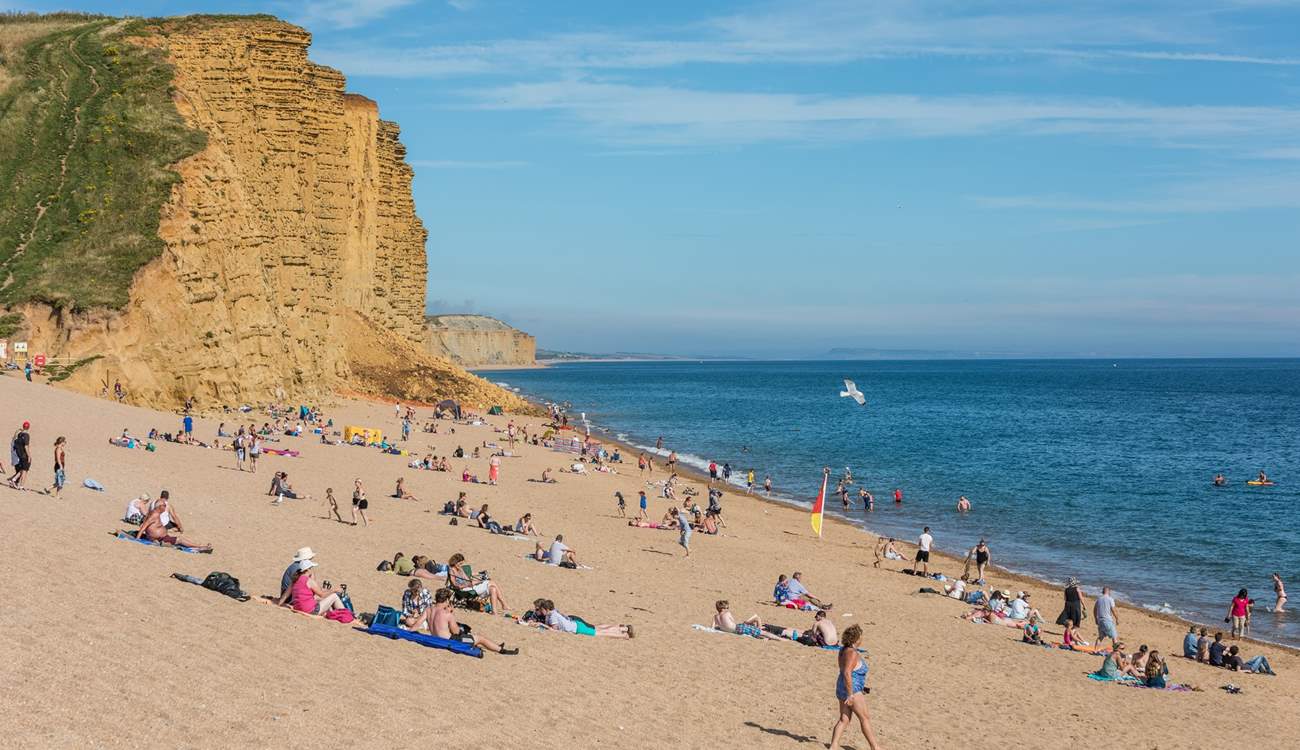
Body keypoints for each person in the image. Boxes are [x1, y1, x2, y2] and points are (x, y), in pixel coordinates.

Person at [827, 625, 880, 750]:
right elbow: (847, 672)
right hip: (851, 689)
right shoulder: (852, 653)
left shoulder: (843, 650)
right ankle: (875, 747)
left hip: (842, 686)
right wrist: (851, 694)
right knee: (864, 718)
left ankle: (834, 745)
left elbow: (849, 671)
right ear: (857, 638)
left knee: (844, 719)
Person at [431, 588, 518, 654]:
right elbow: (456, 632)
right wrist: (452, 613)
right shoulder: (447, 614)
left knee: (473, 638)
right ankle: (502, 650)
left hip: (435, 638)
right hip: (450, 642)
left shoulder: (429, 610)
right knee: (480, 638)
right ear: (446, 600)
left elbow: (418, 624)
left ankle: (496, 646)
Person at [276, 559, 347, 615]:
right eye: (311, 568)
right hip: (311, 610)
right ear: (308, 569)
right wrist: (334, 590)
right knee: (334, 596)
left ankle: (337, 612)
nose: (312, 570)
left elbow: (285, 596)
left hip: (298, 607)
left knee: (319, 599)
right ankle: (345, 614)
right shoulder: (309, 581)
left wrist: (279, 605)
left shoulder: (295, 579)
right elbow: (322, 594)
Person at [535, 599, 632, 638]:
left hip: (577, 628)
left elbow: (554, 630)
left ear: (546, 609)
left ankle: (624, 633)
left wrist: (541, 625)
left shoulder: (552, 616)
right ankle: (623, 628)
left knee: (601, 632)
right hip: (576, 624)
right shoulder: (553, 612)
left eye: (540, 609)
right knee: (598, 628)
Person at [137, 502, 211, 551]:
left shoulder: (155, 513)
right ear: (159, 507)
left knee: (177, 538)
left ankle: (197, 545)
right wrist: (137, 539)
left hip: (159, 537)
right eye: (164, 506)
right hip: (160, 538)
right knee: (180, 540)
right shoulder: (154, 515)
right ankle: (199, 547)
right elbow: (144, 526)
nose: (165, 507)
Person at [713, 600, 783, 640]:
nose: (728, 608)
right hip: (738, 629)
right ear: (724, 608)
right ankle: (780, 639)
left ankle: (761, 635)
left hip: (735, 630)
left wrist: (720, 627)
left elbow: (712, 627)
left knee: (754, 625)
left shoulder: (715, 617)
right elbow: (733, 623)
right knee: (763, 632)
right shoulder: (727, 613)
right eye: (727, 607)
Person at [9, 421, 32, 489]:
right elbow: (26, 446)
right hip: (24, 455)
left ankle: (14, 480)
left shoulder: (19, 434)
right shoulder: (26, 435)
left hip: (19, 454)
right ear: (28, 427)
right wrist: (29, 456)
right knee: (25, 470)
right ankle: (20, 485)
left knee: (23, 469)